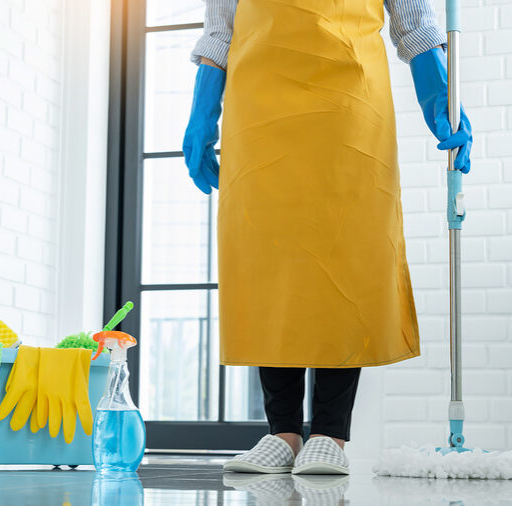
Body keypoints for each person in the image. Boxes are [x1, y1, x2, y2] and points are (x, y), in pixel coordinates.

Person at [182, 0, 472, 475]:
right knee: (267, 255)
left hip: (349, 96)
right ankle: (282, 432)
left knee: (347, 251)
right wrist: (202, 113)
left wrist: (441, 99)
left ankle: (329, 433)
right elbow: (221, 29)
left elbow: (414, 23)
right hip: (259, 102)